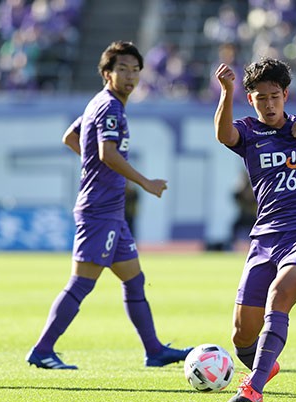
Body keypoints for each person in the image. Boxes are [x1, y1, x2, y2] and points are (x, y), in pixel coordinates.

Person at [25, 41, 193, 370]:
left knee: (134, 279)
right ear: (107, 73)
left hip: (111, 211)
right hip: (99, 210)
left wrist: (96, 166)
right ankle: (42, 350)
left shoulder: (99, 103)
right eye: (122, 69)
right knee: (82, 282)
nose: (130, 76)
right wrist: (144, 182)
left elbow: (70, 137)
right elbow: (107, 153)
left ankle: (154, 351)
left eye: (135, 70)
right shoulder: (110, 107)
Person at [213, 58, 296, 402]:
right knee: (242, 336)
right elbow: (224, 135)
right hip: (264, 239)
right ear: (251, 99)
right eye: (261, 98)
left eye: (274, 97)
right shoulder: (249, 131)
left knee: (280, 295)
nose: (268, 105)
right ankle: (265, 365)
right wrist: (226, 91)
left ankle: (254, 387)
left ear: (286, 95)